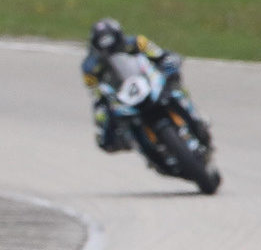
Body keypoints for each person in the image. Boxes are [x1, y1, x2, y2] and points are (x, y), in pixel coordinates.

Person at [81, 17, 211, 155]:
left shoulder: (138, 42)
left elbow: (160, 55)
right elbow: (96, 94)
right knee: (104, 126)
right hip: (122, 95)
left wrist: (170, 61)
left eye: (114, 47)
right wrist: (103, 113)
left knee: (175, 86)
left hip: (147, 81)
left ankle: (193, 114)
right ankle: (135, 141)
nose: (111, 52)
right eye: (106, 50)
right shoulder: (90, 67)